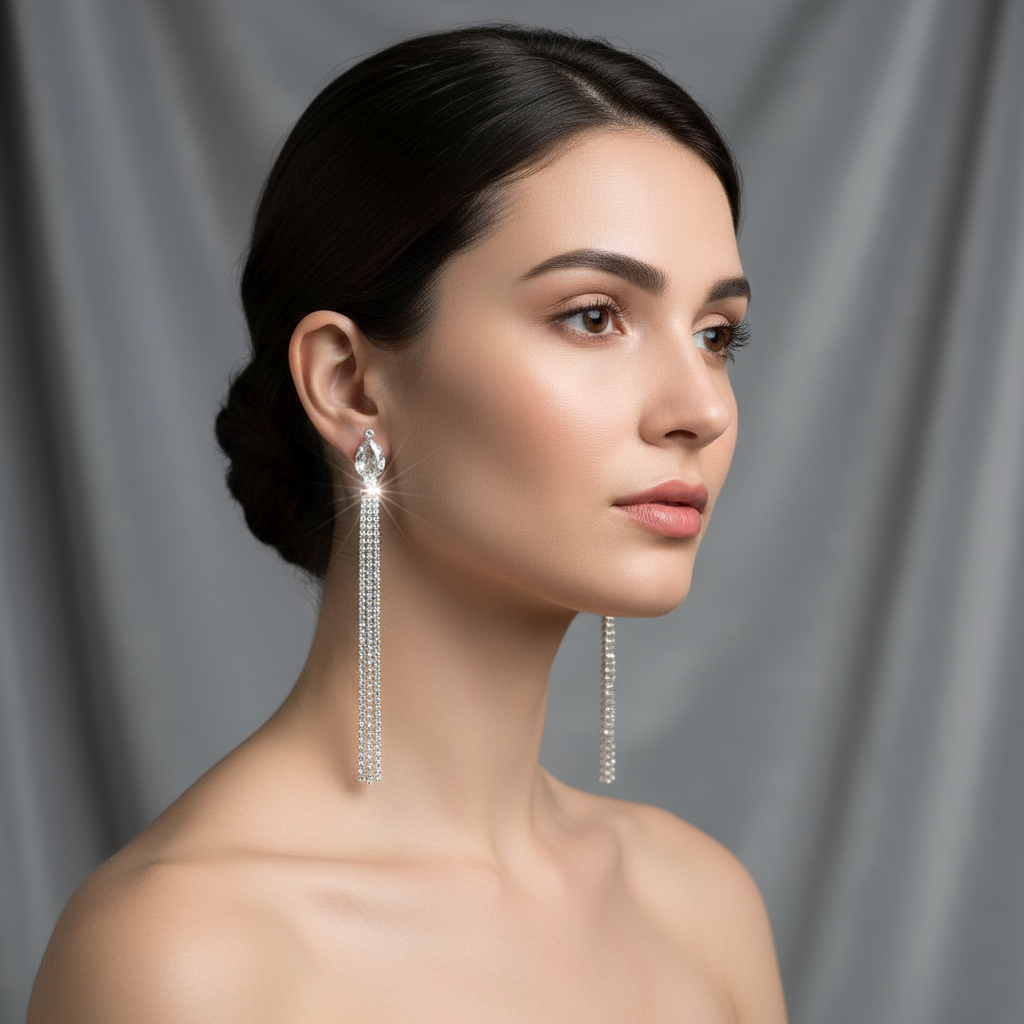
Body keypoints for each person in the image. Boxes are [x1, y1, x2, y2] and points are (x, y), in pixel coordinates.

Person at [28, 25, 788, 1022]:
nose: (702, 408)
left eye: (715, 334)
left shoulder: (700, 902)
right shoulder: (186, 953)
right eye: (594, 315)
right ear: (349, 383)